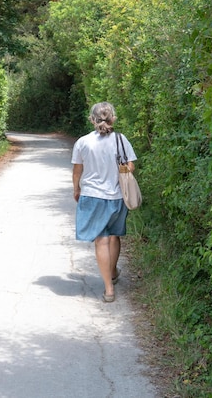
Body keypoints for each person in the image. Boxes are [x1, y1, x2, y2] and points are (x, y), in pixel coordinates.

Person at [71, 102, 137, 303]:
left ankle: (109, 289)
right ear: (113, 118)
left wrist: (77, 189)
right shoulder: (120, 139)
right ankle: (113, 272)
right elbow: (130, 166)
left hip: (92, 196)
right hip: (116, 196)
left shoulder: (82, 142)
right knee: (114, 236)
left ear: (92, 119)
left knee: (101, 239)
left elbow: (77, 172)